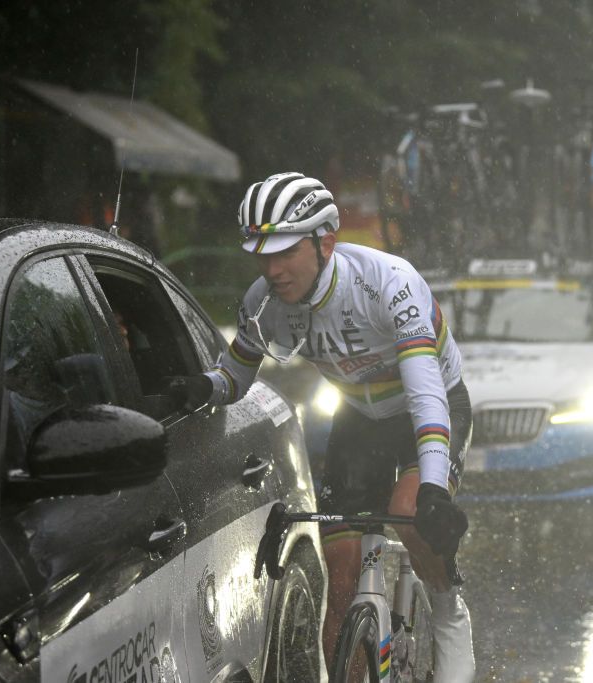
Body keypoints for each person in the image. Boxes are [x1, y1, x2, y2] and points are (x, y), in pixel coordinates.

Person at [178, 172, 475, 681]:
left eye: (284, 253)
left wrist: (431, 489)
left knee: (410, 513)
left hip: (428, 408)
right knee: (340, 576)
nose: (272, 269)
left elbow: (426, 392)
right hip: (359, 419)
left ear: (325, 242)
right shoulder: (264, 304)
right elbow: (235, 375)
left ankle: (448, 612)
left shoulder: (389, 284)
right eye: (260, 254)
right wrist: (199, 388)